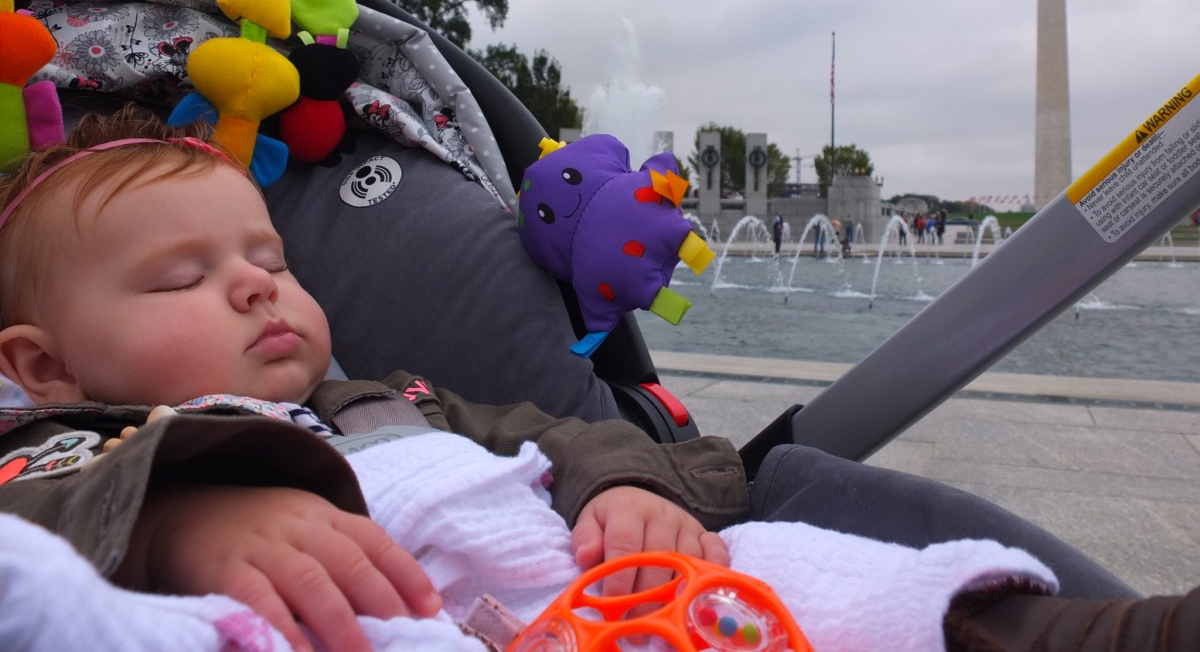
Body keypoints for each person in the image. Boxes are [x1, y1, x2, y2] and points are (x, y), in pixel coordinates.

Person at [0, 109, 1193, 652]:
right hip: (355, 623)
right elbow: (32, 523)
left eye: (271, 259)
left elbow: (558, 431)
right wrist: (181, 518)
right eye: (184, 276)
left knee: (798, 559)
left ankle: (1058, 630)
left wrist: (621, 486)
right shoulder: (61, 448)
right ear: (43, 363)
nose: (256, 288)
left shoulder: (393, 397)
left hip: (614, 590)